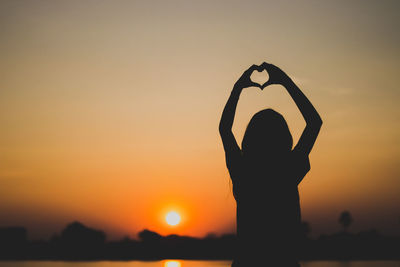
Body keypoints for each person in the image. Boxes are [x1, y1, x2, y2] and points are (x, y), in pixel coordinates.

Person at [219, 62, 322, 266]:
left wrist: (238, 88)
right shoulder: (288, 169)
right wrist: (285, 81)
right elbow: (314, 122)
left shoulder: (243, 170)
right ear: (284, 139)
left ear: (249, 139)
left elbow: (225, 128)